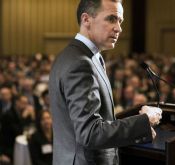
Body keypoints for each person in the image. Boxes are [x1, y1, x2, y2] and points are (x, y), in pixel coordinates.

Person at [49, 0, 162, 165]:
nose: (119, 28)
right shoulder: (80, 62)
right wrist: (144, 120)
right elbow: (90, 133)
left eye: (120, 21)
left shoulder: (80, 56)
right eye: (111, 19)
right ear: (86, 19)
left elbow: (99, 116)